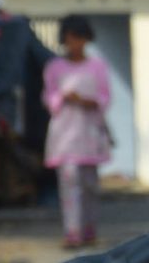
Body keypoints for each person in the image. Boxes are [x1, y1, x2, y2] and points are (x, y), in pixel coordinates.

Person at [42, 14, 111, 249]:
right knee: (69, 182)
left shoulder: (97, 66)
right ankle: (72, 231)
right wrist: (64, 96)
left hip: (90, 134)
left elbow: (105, 97)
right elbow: (49, 99)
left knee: (90, 185)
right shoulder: (55, 68)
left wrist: (88, 101)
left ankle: (89, 228)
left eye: (79, 38)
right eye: (71, 38)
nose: (75, 43)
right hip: (65, 135)